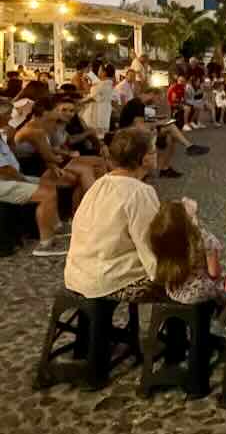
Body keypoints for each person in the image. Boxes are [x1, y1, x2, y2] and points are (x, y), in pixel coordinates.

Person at [64, 128, 166, 301]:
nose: (156, 154)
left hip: (77, 273)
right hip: (107, 279)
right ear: (144, 158)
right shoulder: (139, 192)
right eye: (153, 151)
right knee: (186, 282)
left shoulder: (100, 184)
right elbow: (149, 243)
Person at [0, 101, 69, 256]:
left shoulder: (4, 133)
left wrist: (10, 140)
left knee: (48, 182)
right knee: (46, 194)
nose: (11, 116)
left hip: (10, 176)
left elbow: (11, 157)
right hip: (4, 180)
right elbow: (4, 169)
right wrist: (22, 179)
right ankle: (45, 243)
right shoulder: (33, 131)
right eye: (7, 114)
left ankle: (55, 226)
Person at [117, 88, 209, 179]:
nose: (158, 101)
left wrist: (160, 119)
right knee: (169, 127)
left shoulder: (149, 104)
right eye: (158, 98)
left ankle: (165, 168)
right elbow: (139, 125)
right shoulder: (136, 103)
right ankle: (189, 146)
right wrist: (161, 122)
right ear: (152, 94)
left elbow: (150, 121)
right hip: (128, 133)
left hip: (143, 130)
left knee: (171, 136)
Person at [149, 198, 225, 305]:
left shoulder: (162, 237)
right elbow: (214, 273)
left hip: (174, 291)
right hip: (200, 292)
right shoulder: (204, 238)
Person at [80, 63, 115, 135]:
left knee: (97, 133)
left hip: (98, 109)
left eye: (99, 70)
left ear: (104, 73)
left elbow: (92, 97)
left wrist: (80, 102)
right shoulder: (106, 83)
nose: (98, 71)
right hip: (104, 108)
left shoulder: (102, 84)